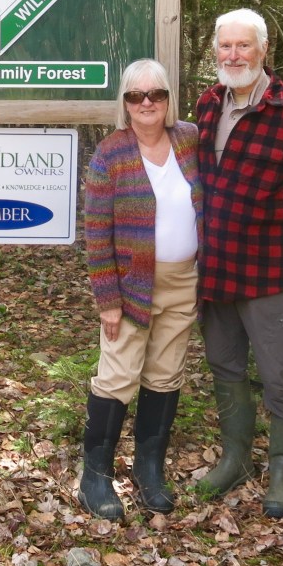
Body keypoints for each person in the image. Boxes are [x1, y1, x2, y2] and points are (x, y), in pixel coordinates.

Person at [194, 8, 283, 518]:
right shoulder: (207, 105)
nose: (233, 55)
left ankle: (282, 468)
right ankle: (235, 458)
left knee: (282, 374)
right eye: (225, 46)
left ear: (263, 51)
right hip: (215, 269)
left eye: (244, 46)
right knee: (225, 366)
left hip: (274, 270)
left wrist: (280, 227)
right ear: (215, 50)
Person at [79, 58, 203, 519]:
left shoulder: (189, 140)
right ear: (125, 104)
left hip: (184, 281)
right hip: (131, 286)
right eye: (136, 96)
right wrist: (106, 300)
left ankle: (149, 471)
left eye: (156, 94)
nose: (147, 102)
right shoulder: (111, 154)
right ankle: (95, 477)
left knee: (165, 375)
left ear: (169, 98)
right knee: (117, 376)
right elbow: (96, 231)